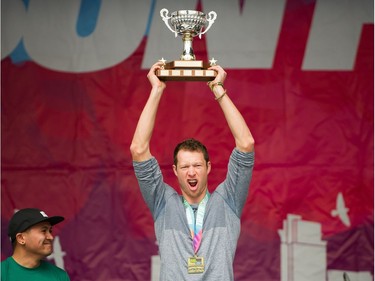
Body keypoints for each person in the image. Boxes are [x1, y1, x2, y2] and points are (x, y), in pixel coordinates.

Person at [130, 61, 255, 280]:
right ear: (175, 171)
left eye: (197, 165)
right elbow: (138, 150)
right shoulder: (163, 202)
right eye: (185, 166)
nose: (191, 172)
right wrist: (156, 90)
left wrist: (218, 89)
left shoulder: (228, 200)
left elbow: (245, 143)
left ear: (208, 167)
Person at [1, 208, 70, 281]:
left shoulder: (60, 276)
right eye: (44, 230)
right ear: (21, 238)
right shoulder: (2, 274)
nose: (51, 237)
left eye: (50, 231)